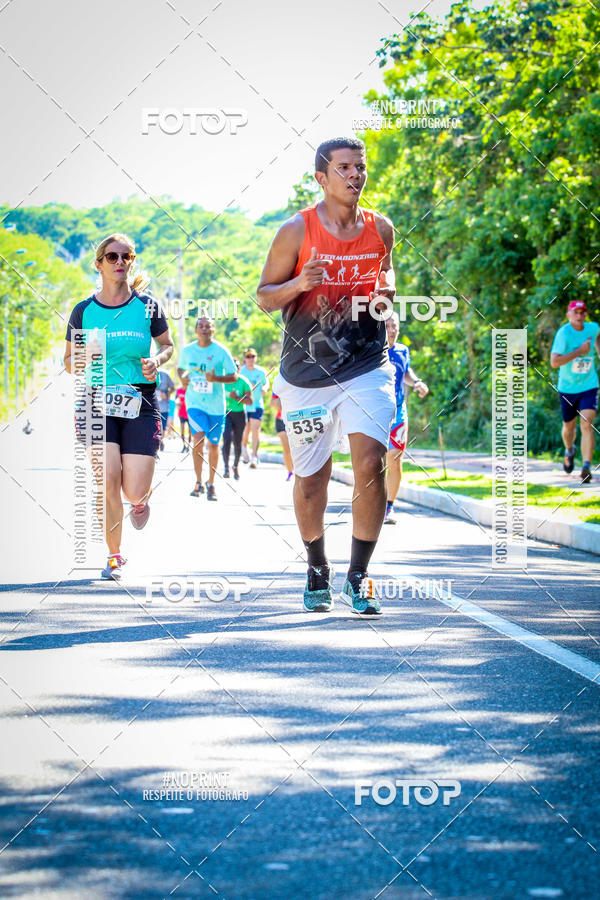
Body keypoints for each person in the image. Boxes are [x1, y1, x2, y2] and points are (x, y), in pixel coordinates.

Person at [257, 136, 397, 616]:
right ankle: (317, 565)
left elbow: (386, 276)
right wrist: (300, 282)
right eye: (344, 168)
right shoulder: (296, 230)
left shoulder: (381, 228)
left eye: (360, 167)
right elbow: (264, 296)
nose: (355, 175)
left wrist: (386, 297)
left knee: (370, 464)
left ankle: (359, 577)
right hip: (306, 375)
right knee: (313, 480)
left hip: (367, 366)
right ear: (321, 177)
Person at [64, 233, 174, 580]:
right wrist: (84, 355)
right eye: (112, 257)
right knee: (108, 479)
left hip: (140, 400)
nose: (120, 262)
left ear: (132, 262)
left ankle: (140, 501)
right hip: (96, 400)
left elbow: (168, 345)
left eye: (126, 256)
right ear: (99, 264)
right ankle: (114, 555)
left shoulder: (147, 306)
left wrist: (157, 361)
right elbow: (68, 363)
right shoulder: (84, 311)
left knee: (134, 489)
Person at [177, 316, 236, 500]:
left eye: (207, 326)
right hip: (195, 403)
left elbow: (234, 376)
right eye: (200, 326)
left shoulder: (221, 351)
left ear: (213, 330)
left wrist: (216, 379)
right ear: (196, 330)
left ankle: (211, 483)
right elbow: (181, 369)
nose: (204, 329)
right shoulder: (187, 351)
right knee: (198, 439)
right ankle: (198, 481)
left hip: (216, 406)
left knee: (214, 445)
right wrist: (183, 378)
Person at [383, 311, 429, 524]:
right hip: (375, 413)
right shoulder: (371, 351)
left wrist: (417, 382)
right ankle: (372, 503)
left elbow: (406, 372)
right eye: (387, 326)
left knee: (394, 457)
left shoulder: (403, 350)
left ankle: (388, 507)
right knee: (373, 460)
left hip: (399, 411)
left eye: (395, 326)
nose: (392, 330)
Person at [551, 299, 599, 483]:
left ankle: (586, 467)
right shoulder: (563, 334)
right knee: (569, 427)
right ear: (568, 315)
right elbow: (554, 362)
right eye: (576, 312)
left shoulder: (592, 328)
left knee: (586, 424)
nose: (579, 316)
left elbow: (598, 335)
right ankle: (570, 450)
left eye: (582, 312)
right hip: (568, 388)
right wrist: (579, 351)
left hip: (589, 385)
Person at [223, 358, 252, 479]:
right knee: (227, 439)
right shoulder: (222, 382)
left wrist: (237, 397)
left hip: (239, 414)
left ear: (239, 369)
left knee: (237, 442)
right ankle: (226, 467)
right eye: (231, 369)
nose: (233, 371)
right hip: (226, 413)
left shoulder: (244, 382)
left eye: (236, 368)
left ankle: (235, 466)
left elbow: (249, 401)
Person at [240, 348, 269, 468]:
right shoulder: (241, 371)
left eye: (253, 356)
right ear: (244, 359)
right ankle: (244, 448)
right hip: (244, 406)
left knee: (255, 430)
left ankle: (254, 457)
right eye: (248, 357)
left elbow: (266, 383)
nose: (250, 359)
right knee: (245, 431)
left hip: (257, 405)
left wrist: (265, 388)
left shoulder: (261, 371)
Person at [270, 390, 294, 480]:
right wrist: (281, 398)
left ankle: (296, 469)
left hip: (294, 420)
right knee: (286, 447)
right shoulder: (278, 388)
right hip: (281, 420)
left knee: (295, 447)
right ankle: (290, 471)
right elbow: (272, 404)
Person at [156, 369, 175, 451]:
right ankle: (156, 443)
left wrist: (167, 394)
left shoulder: (165, 375)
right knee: (155, 426)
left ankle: (161, 441)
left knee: (163, 427)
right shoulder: (147, 372)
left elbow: (173, 388)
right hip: (153, 406)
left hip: (164, 407)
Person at [175, 383, 191, 452]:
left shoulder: (190, 390)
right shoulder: (179, 390)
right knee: (182, 430)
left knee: (190, 431)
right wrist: (177, 403)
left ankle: (188, 446)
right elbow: (176, 399)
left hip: (189, 414)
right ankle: (183, 445)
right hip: (181, 413)